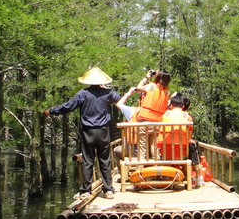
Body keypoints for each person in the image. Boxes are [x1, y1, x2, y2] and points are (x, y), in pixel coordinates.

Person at [45, 67, 120, 200]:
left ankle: (85, 190)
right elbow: (118, 98)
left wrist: (52, 111)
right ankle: (108, 189)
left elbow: (68, 106)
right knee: (105, 160)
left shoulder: (83, 94)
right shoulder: (108, 93)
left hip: (88, 131)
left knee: (88, 160)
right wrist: (106, 89)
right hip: (103, 131)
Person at [133, 69, 171, 161]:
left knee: (142, 149)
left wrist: (147, 77)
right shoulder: (167, 92)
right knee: (155, 149)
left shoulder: (150, 86)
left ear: (158, 77)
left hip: (144, 121)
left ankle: (140, 172)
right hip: (157, 123)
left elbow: (137, 88)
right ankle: (158, 172)